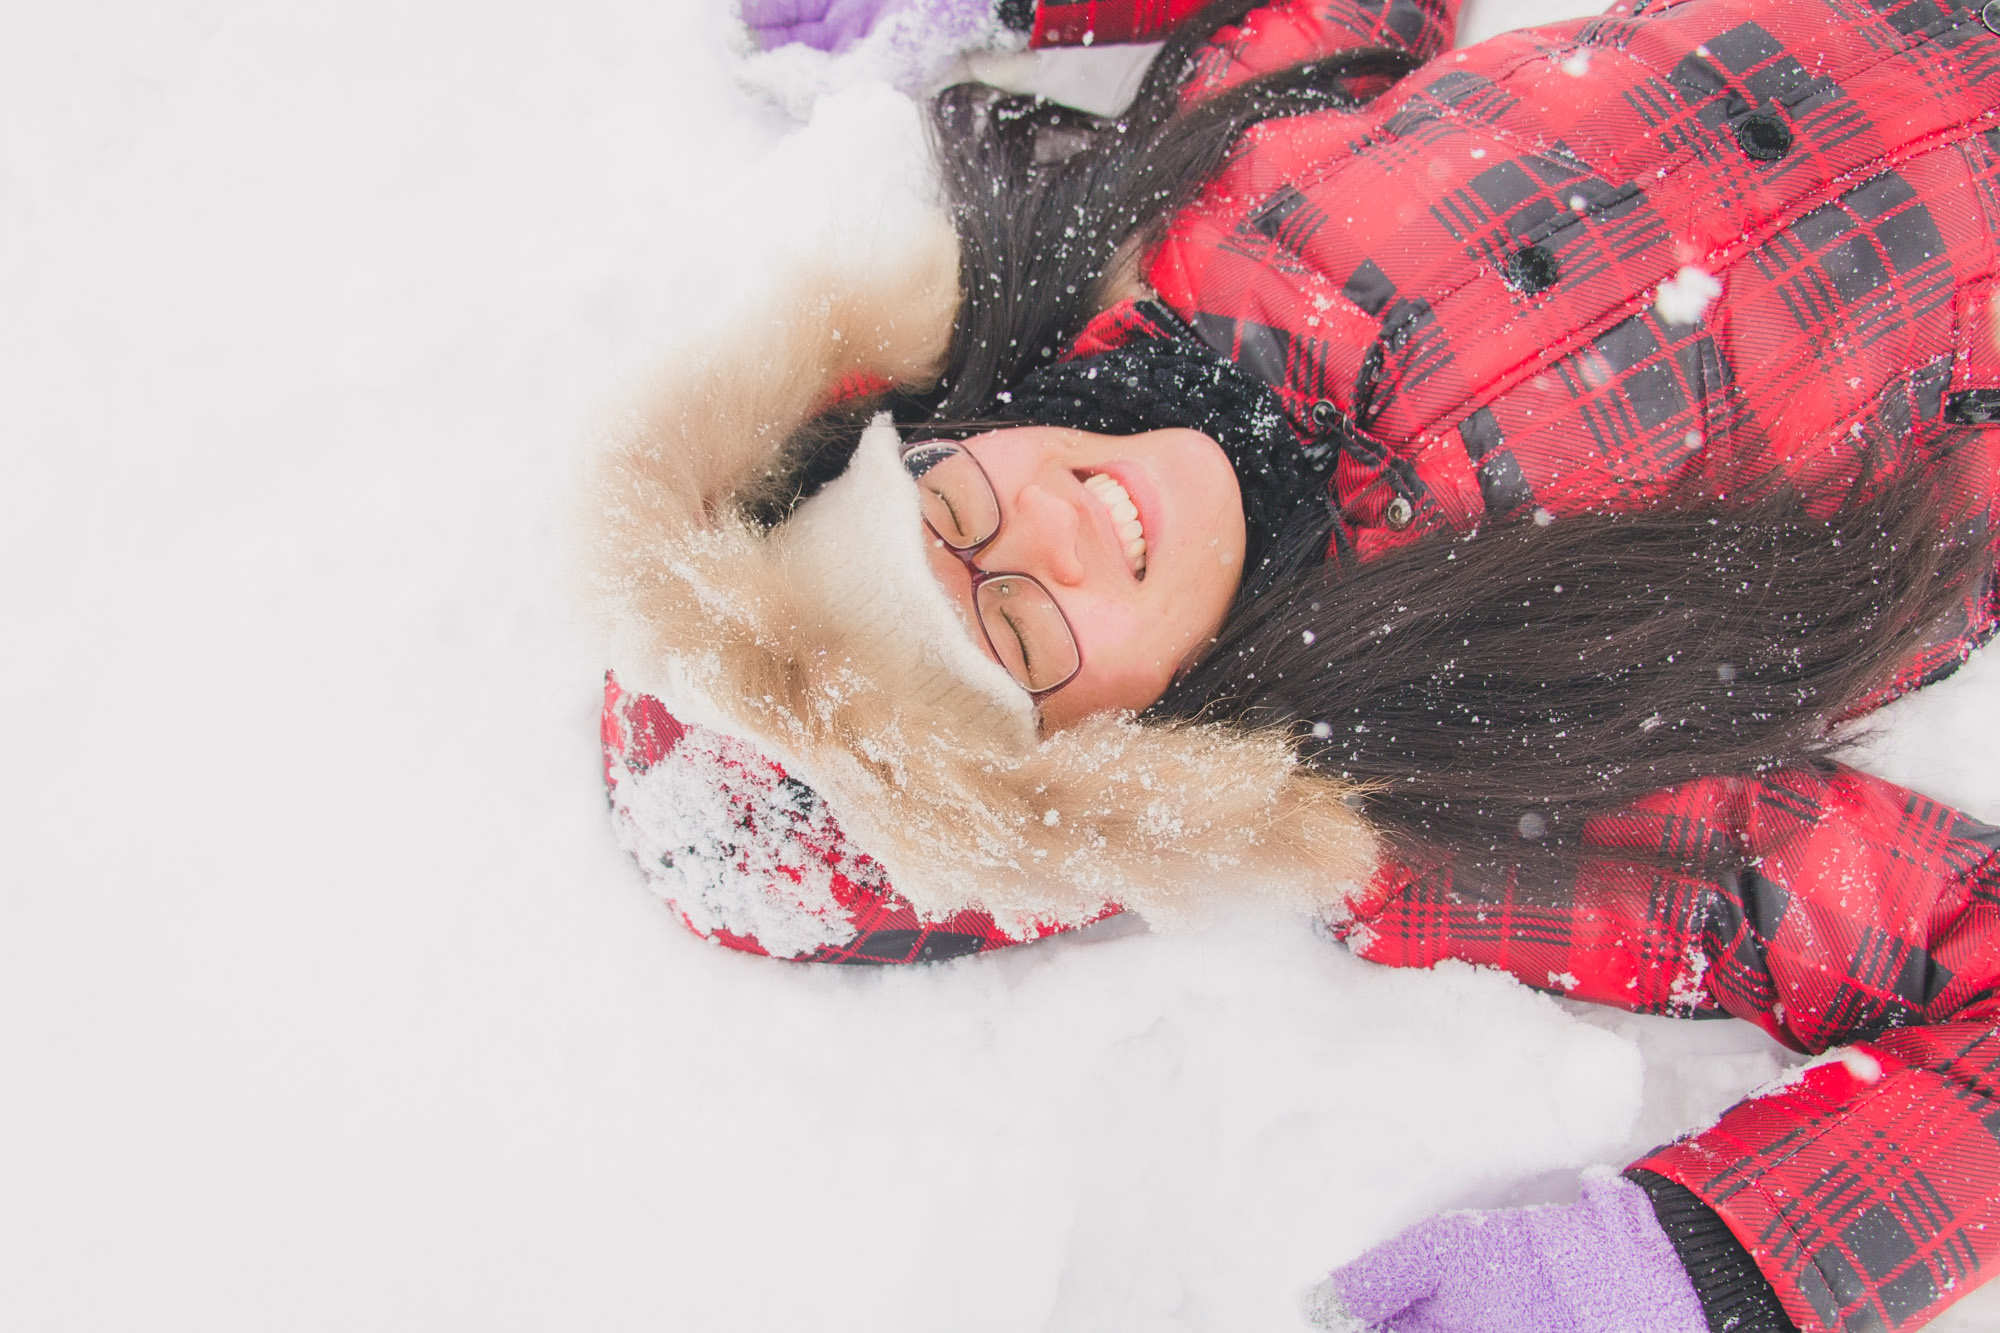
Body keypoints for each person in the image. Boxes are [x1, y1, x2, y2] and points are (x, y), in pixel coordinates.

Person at [580, 0, 2000, 1327]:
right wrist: (1685, 1269)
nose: (1046, 530)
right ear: (1098, 767)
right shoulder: (1449, 789)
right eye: (1014, 632)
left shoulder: (1191, 206)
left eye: (943, 505)